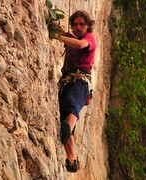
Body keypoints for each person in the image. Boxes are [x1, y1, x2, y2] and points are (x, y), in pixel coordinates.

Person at [54, 10, 96, 172]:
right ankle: (72, 159)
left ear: (88, 26)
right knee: (64, 119)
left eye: (82, 24)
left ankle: (68, 126)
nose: (78, 27)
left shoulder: (89, 38)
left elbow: (80, 45)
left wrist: (58, 37)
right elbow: (63, 34)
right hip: (66, 82)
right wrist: (53, 26)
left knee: (72, 105)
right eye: (75, 24)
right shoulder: (72, 38)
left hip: (81, 81)